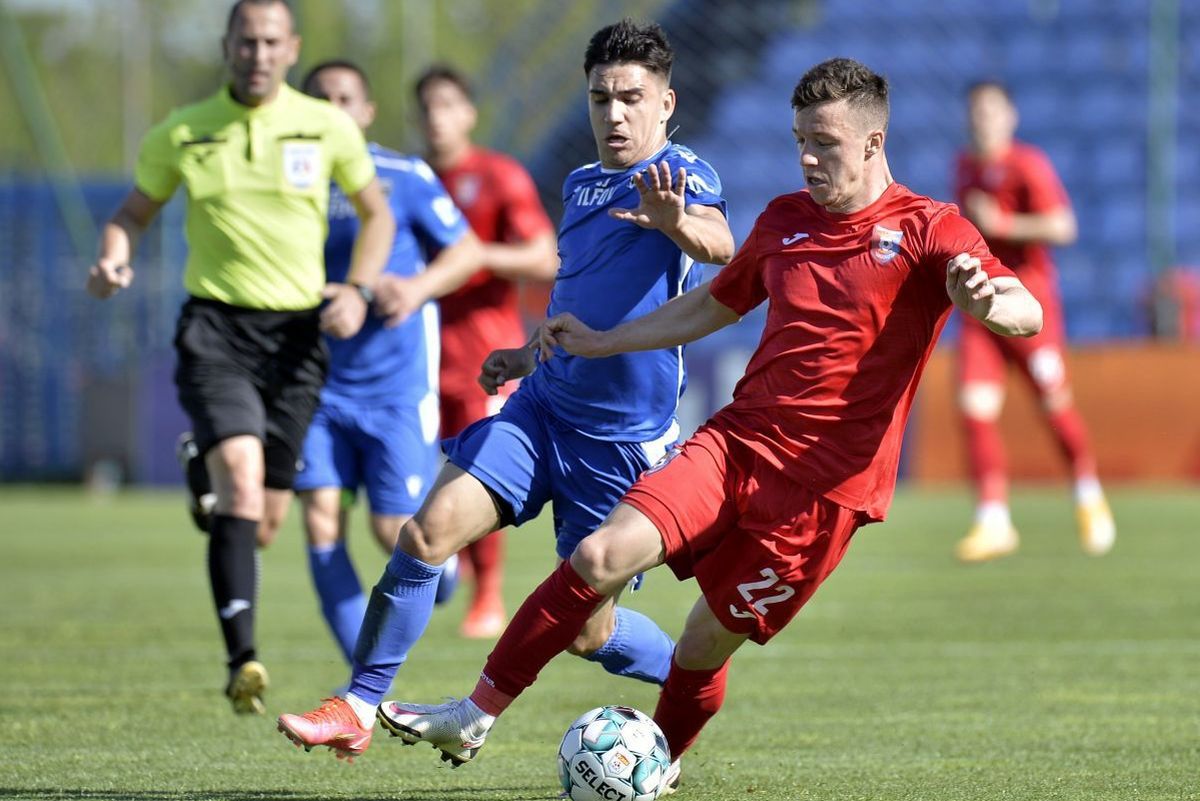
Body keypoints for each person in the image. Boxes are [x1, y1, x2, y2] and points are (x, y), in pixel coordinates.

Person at [374, 58, 1044, 789]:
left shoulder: (929, 229)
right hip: (734, 444)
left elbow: (1025, 309)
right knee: (600, 555)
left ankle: (656, 765)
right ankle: (475, 712)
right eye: (800, 141)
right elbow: (712, 303)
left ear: (874, 142)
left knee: (699, 645)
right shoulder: (785, 218)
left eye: (825, 143)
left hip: (821, 496)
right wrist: (605, 341)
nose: (807, 158)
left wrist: (986, 303)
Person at [276, 18, 734, 761]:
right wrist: (525, 355)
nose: (614, 114)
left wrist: (675, 219)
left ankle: (690, 675)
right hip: (541, 409)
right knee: (425, 534)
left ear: (666, 103)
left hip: (620, 444)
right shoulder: (580, 184)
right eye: (600, 98)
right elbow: (574, 292)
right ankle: (357, 703)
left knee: (588, 631)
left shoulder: (681, 174)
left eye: (631, 98)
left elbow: (721, 244)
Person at [85, 0, 396, 715]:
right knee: (244, 487)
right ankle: (242, 660)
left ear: (291, 49)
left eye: (269, 41)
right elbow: (132, 213)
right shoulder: (183, 130)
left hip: (296, 339)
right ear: (226, 47)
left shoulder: (326, 126)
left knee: (262, 522)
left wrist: (357, 289)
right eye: (245, 41)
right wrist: (112, 258)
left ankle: (205, 466)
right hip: (215, 330)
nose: (257, 53)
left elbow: (376, 213)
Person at [294, 60, 484, 665]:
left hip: (395, 386)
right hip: (314, 383)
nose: (332, 110)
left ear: (367, 111)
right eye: (319, 99)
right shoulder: (287, 182)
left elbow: (467, 251)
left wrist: (415, 288)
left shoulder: (403, 176)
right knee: (321, 520)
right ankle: (363, 681)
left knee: (392, 531)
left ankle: (444, 570)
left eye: (344, 98)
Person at [414, 64, 559, 639]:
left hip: (483, 353)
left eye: (448, 105)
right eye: (427, 107)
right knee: (421, 480)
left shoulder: (498, 176)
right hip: (416, 355)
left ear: (469, 113)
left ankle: (487, 595)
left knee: (477, 472)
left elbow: (542, 256)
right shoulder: (410, 179)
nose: (437, 117)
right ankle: (445, 573)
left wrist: (477, 257)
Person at [952, 80, 1115, 562]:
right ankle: (993, 520)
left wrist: (1005, 224)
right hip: (982, 308)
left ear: (1010, 116)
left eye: (991, 110)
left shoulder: (1027, 164)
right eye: (976, 111)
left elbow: (1063, 226)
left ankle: (1087, 493)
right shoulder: (964, 166)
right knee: (974, 406)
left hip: (1028, 307)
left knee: (1053, 403)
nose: (982, 120)